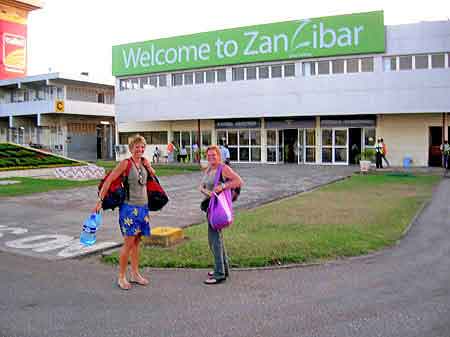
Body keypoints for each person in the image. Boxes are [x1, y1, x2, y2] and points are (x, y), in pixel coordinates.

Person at [95, 135, 156, 290]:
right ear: (131, 148)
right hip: (129, 209)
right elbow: (109, 180)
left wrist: (149, 167)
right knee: (128, 244)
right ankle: (121, 276)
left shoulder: (143, 163)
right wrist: (100, 201)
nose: (140, 149)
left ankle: (135, 273)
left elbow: (153, 178)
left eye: (142, 147)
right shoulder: (125, 164)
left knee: (136, 243)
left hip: (143, 208)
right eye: (137, 147)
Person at [199, 145, 243, 285]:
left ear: (219, 155)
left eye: (214, 155)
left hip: (217, 209)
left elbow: (239, 181)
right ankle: (224, 268)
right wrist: (204, 190)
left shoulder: (223, 168)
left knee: (214, 240)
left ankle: (219, 274)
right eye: (209, 155)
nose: (211, 157)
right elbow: (204, 187)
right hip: (210, 207)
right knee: (216, 239)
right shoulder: (208, 169)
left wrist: (222, 187)